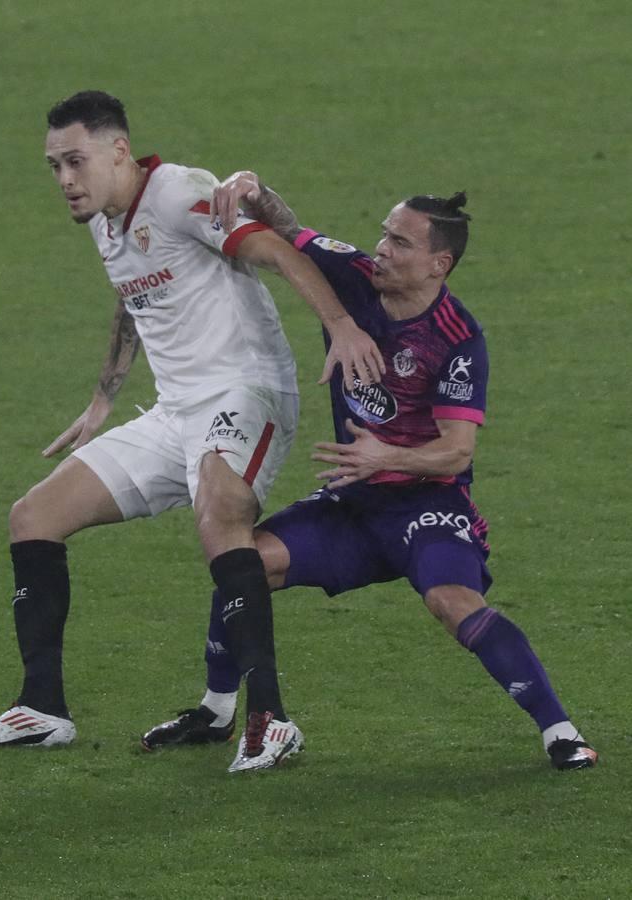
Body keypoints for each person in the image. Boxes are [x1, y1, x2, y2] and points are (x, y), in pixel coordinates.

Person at [0, 91, 383, 750]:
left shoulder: (179, 193)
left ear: (118, 151)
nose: (64, 180)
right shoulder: (106, 221)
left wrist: (342, 327)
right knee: (33, 518)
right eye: (53, 167)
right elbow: (136, 299)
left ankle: (269, 718)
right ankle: (42, 707)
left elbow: (276, 252)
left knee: (219, 515)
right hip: (174, 412)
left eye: (75, 162)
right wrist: (104, 397)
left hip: (247, 393)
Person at [142, 175, 597, 773]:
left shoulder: (458, 341)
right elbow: (285, 229)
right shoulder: (354, 274)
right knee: (243, 563)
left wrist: (388, 459)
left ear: (439, 264)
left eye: (401, 243)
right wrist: (254, 190)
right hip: (352, 508)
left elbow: (456, 452)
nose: (381, 248)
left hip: (425, 508)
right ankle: (219, 710)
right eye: (384, 234)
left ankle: (560, 732)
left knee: (451, 600)